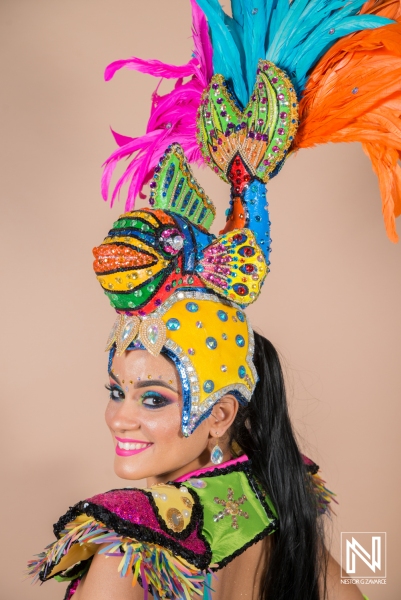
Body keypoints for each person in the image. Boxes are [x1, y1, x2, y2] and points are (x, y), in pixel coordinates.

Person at [28, 0, 401, 598]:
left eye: (152, 397)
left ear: (221, 415)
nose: (120, 418)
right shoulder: (280, 525)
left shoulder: (128, 554)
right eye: (118, 391)